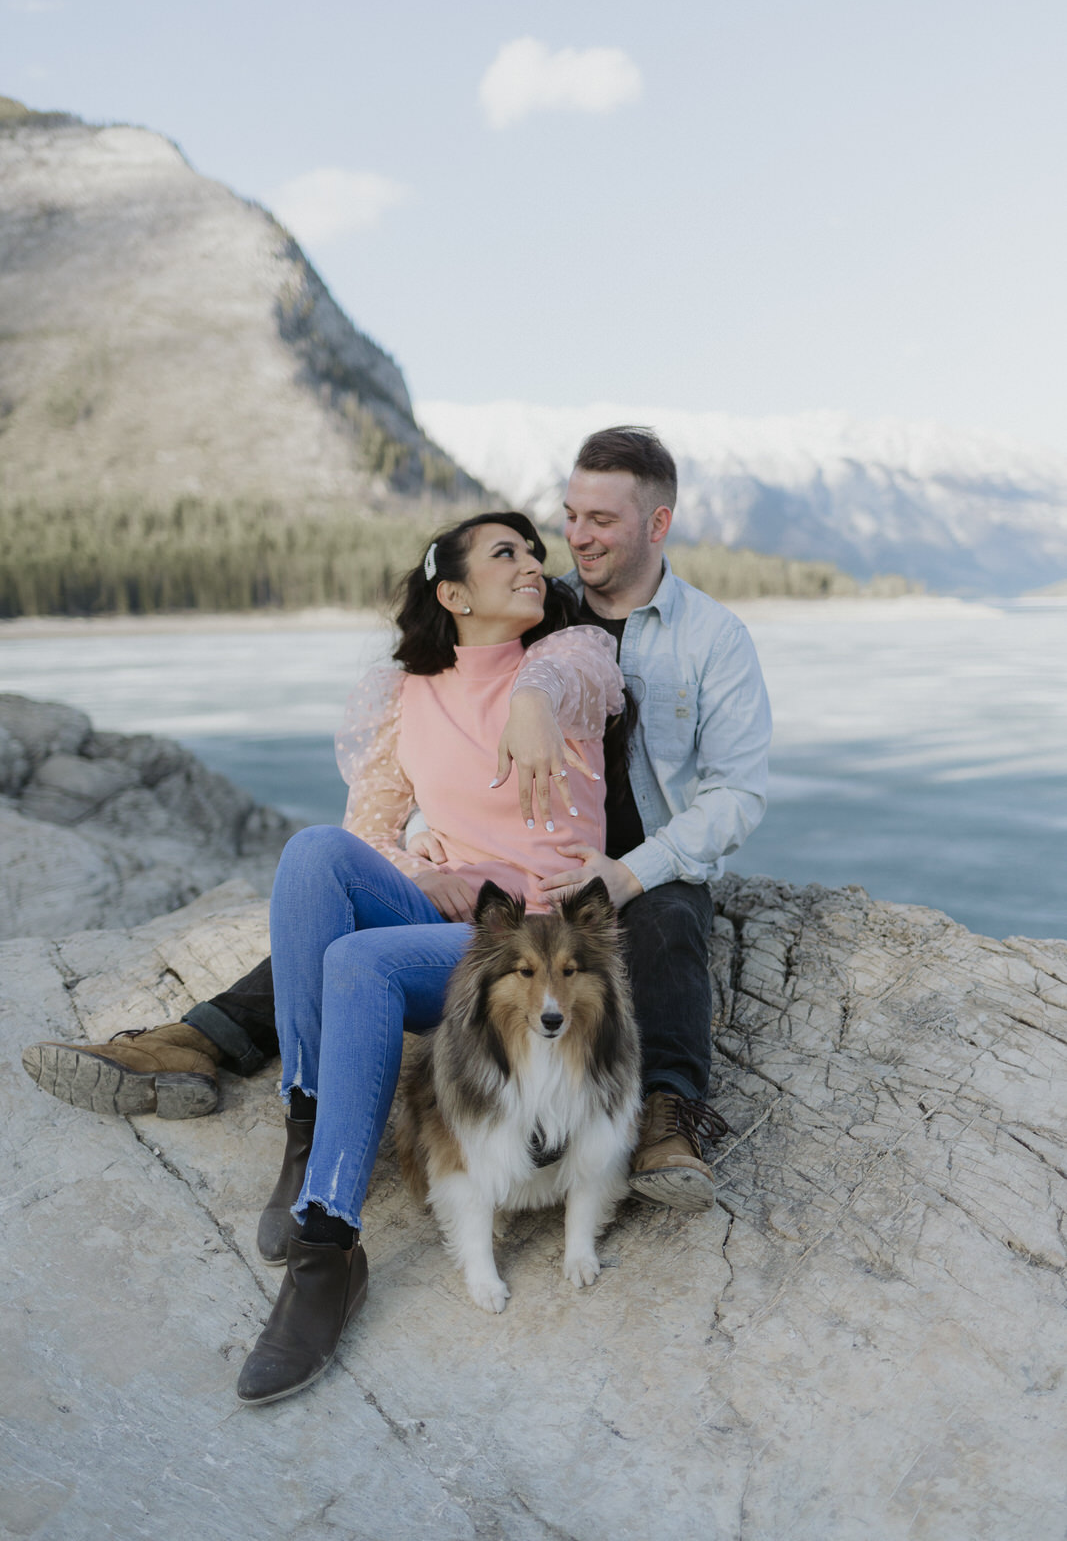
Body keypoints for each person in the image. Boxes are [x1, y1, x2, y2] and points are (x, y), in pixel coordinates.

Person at [23, 427, 772, 1213]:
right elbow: (458, 699)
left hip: (628, 858)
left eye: (602, 521)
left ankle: (664, 1113)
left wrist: (629, 869)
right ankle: (205, 1044)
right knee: (331, 892)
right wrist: (423, 851)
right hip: (506, 867)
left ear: (657, 525)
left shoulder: (709, 639)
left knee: (671, 913)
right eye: (570, 515)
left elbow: (735, 795)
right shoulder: (539, 602)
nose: (574, 538)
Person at [241, 510, 626, 1402]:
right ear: (452, 595)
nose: (534, 564)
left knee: (359, 965)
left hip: (529, 942)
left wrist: (529, 703)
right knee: (311, 855)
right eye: (507, 555)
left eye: (535, 552)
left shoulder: (568, 664)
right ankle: (305, 1125)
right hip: (444, 914)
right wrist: (426, 869)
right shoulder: (404, 695)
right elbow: (367, 833)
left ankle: (326, 1246)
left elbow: (566, 680)